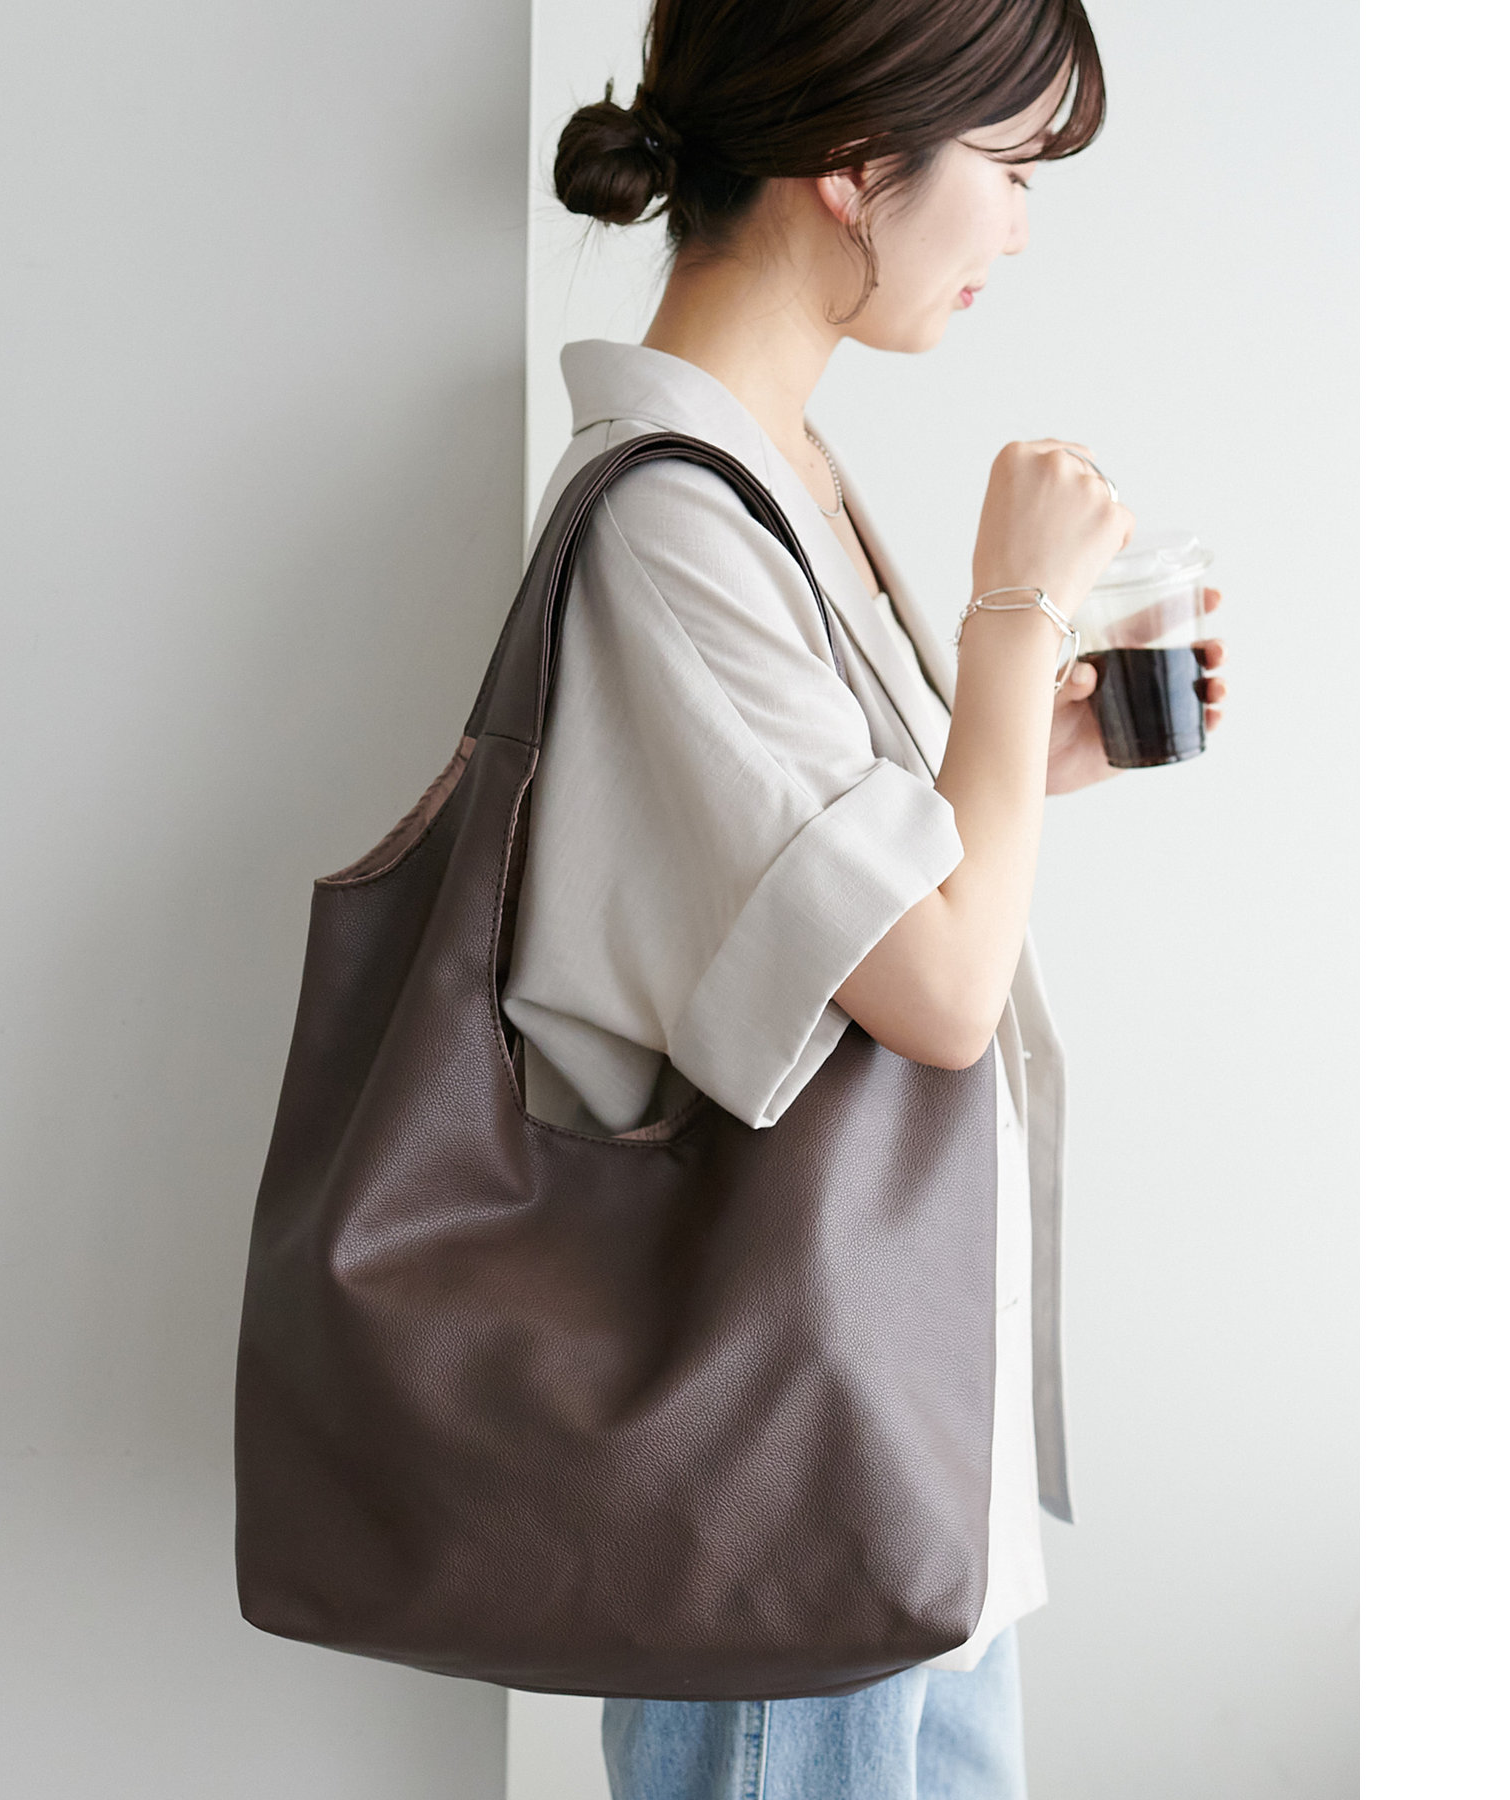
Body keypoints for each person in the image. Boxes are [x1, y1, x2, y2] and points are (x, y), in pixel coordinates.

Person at [501, 0, 1228, 1794]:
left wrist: (1022, 756)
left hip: (894, 1450)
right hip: (795, 1473)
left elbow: (860, 914)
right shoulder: (673, 519)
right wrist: (1013, 613)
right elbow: (940, 997)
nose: (1020, 229)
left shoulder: (776, 479)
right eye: (1009, 166)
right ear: (852, 164)